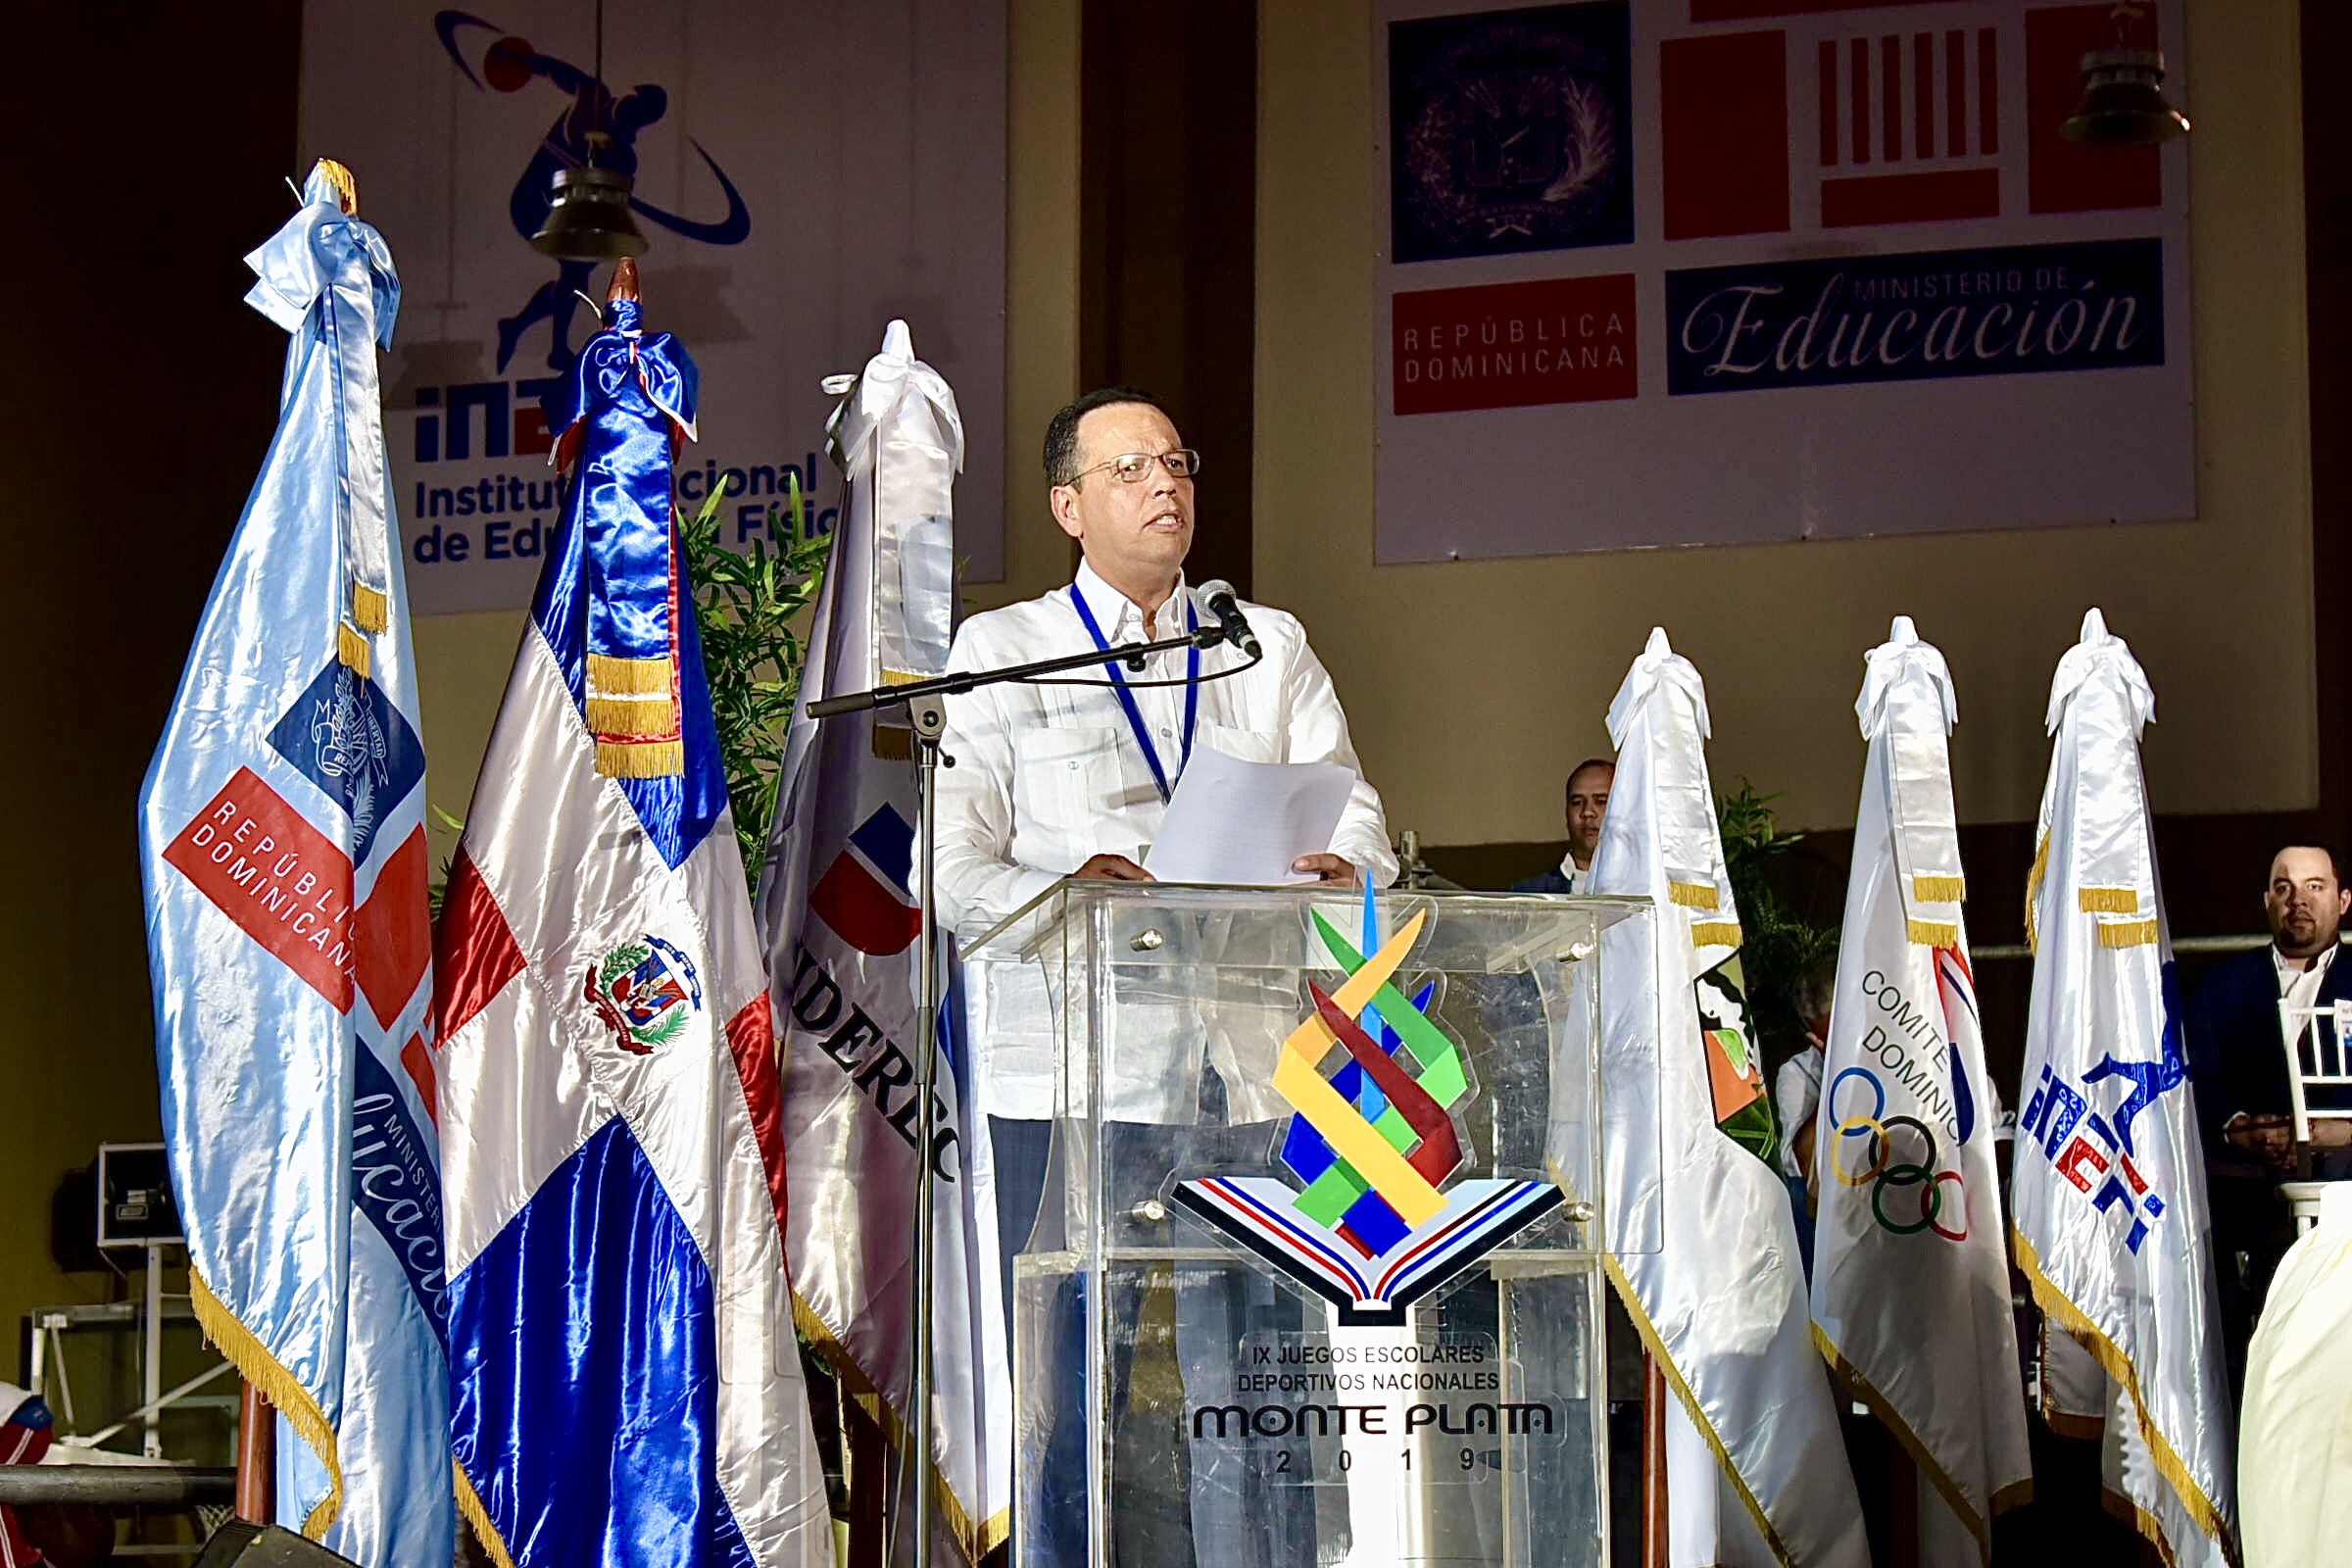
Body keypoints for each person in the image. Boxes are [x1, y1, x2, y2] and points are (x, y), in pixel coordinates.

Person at [937, 386, 1396, 1568]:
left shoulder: (1265, 643)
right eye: (1131, 467)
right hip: (1074, 1076)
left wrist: (1347, 862)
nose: (1165, 483)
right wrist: (1064, 895)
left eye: (1177, 461)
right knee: (1067, 1385)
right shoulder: (1004, 653)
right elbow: (949, 867)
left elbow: (1358, 810)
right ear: (1067, 506)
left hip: (1243, 1070)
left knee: (1253, 1386)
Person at [2185, 843, 2352, 1397]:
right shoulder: (2220, 989)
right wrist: (2241, 1126)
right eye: (2284, 887)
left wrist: (2333, 1131)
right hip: (2247, 1185)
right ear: (2266, 902)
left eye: (2314, 886)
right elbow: (2200, 1083)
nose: (2298, 900)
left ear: (2343, 900)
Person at [1513, 758, 1613, 894]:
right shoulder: (1529, 894)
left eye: (1601, 802)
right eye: (1577, 802)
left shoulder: (1646, 889)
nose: (1587, 812)